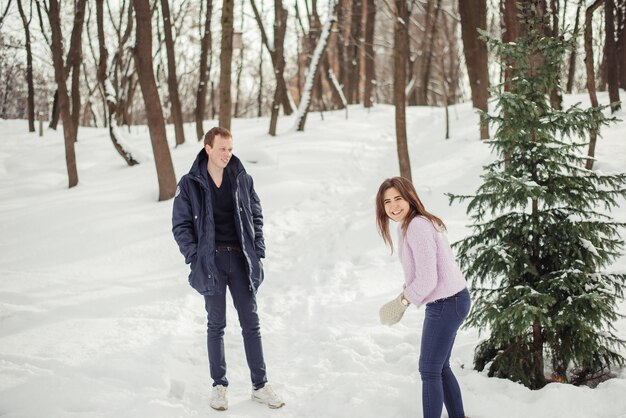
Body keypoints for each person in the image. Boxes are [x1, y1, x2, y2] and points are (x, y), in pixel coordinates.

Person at [172, 127, 284, 411]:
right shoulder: (190, 183)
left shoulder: (242, 179)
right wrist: (194, 256)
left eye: (230, 149)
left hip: (241, 260)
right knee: (216, 324)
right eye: (221, 148)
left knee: (251, 323)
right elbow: (180, 225)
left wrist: (258, 251)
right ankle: (219, 386)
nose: (227, 154)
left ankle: (260, 386)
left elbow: (256, 215)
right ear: (208, 148)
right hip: (211, 262)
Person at [376, 176, 470, 418]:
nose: (394, 206)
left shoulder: (417, 225)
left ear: (409, 197)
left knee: (429, 369)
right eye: (387, 202)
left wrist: (402, 303)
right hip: (453, 299)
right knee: (440, 367)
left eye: (398, 198)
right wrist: (404, 297)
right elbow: (420, 272)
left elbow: (428, 279)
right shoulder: (410, 224)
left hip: (446, 303)